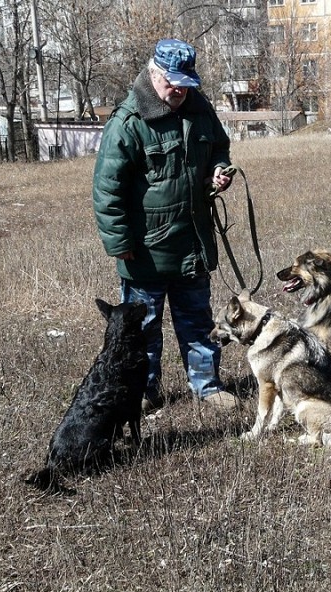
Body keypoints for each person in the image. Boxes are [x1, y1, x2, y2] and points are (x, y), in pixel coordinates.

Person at [92, 39, 238, 413]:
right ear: (154, 74)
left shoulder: (199, 108)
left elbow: (219, 146)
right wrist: (119, 242)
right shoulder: (128, 123)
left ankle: (207, 386)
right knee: (143, 330)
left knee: (198, 322)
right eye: (172, 82)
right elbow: (107, 190)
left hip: (192, 242)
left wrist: (219, 171)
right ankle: (145, 390)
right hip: (145, 249)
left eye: (186, 82)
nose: (179, 90)